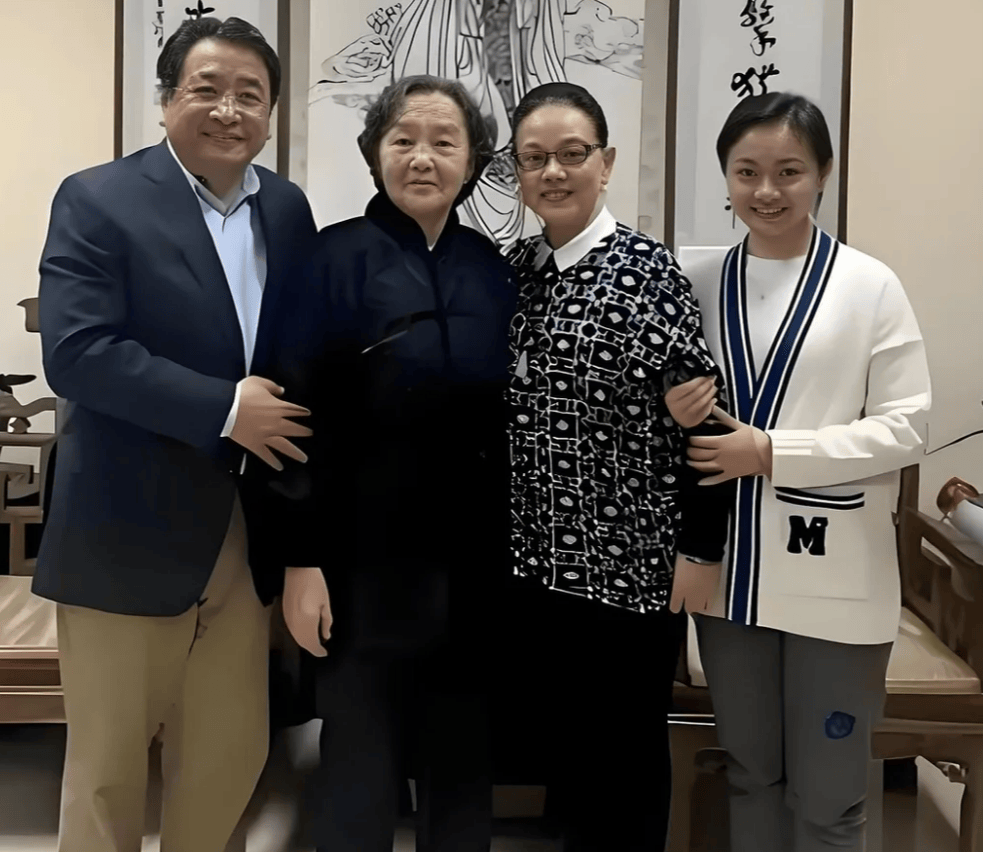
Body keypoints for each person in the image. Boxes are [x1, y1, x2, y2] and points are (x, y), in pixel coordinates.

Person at [34, 17, 316, 852]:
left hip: (244, 532)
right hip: (125, 530)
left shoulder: (287, 210)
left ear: (270, 112)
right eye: (207, 89)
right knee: (109, 773)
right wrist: (226, 409)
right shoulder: (98, 198)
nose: (229, 110)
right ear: (165, 100)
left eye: (249, 95)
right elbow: (77, 353)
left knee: (228, 760)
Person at [665, 92, 931, 851]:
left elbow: (907, 426)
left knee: (829, 800)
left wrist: (773, 452)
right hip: (728, 578)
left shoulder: (869, 286)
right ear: (725, 176)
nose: (766, 190)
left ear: (823, 174)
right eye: (746, 171)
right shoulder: (694, 281)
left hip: (834, 580)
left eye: (788, 171)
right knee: (749, 776)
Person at [271, 74, 516, 852]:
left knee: (462, 763)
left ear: (473, 160)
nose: (421, 157)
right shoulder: (330, 258)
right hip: (359, 564)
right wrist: (300, 560)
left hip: (472, 567)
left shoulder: (491, 268)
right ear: (373, 151)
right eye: (403, 139)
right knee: (358, 765)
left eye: (443, 142)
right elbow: (292, 417)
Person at [501, 81, 731, 851]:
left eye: (571, 154)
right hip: (537, 563)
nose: (552, 172)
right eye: (534, 158)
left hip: (629, 565)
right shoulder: (516, 270)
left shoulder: (646, 273)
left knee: (625, 755)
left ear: (605, 163)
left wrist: (699, 547)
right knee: (567, 755)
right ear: (515, 170)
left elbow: (707, 421)